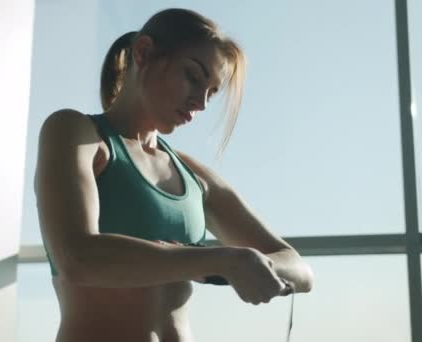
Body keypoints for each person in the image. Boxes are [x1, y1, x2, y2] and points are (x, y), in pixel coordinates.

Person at [34, 8, 314, 342]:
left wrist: (233, 264)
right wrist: (219, 260)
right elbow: (77, 257)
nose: (201, 103)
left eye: (212, 92)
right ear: (144, 53)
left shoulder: (195, 178)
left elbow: (299, 269)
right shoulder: (76, 132)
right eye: (194, 77)